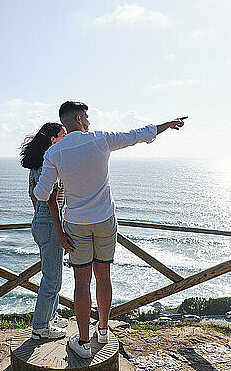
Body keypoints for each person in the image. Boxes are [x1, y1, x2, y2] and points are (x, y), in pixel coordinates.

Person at [33, 101, 187, 359]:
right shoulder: (101, 140)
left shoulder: (54, 153)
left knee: (82, 281)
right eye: (87, 118)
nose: (89, 122)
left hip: (77, 224)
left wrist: (59, 185)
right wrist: (166, 125)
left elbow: (41, 194)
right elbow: (136, 135)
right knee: (103, 276)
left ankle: (82, 343)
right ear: (80, 119)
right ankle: (103, 330)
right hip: (105, 220)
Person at [20, 122, 71, 339]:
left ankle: (51, 315)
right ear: (53, 140)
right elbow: (52, 202)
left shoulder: (36, 166)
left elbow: (34, 198)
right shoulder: (49, 166)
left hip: (39, 221)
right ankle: (40, 328)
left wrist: (41, 220)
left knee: (52, 273)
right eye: (63, 136)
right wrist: (60, 232)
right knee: (52, 279)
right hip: (50, 224)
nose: (66, 139)